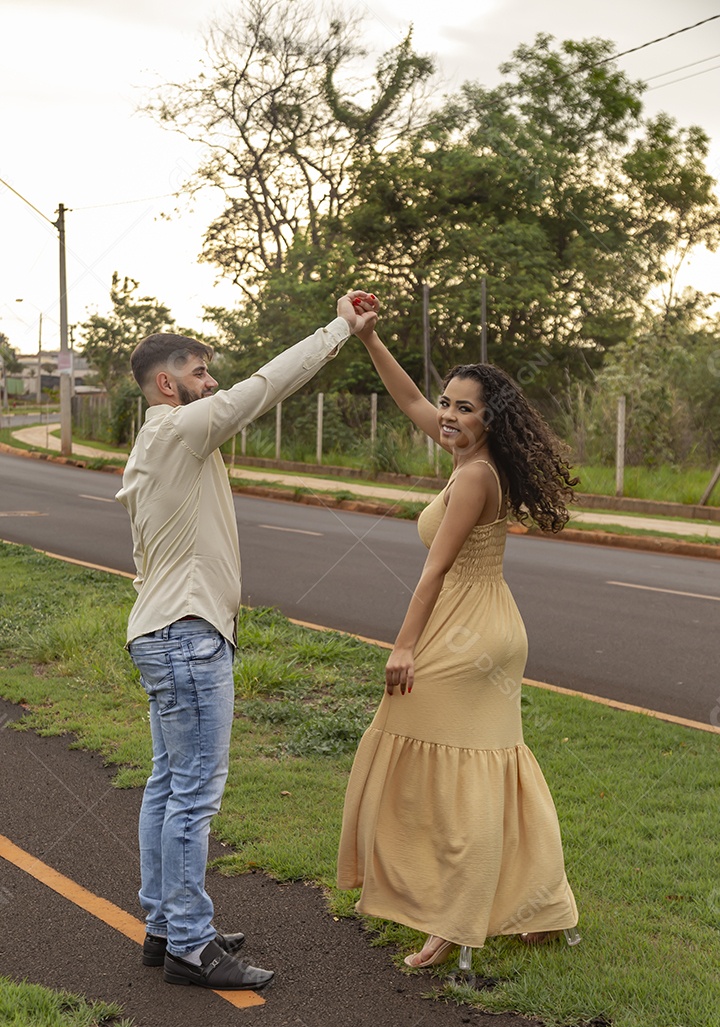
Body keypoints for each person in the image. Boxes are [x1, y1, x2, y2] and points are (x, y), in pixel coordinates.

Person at [117, 291, 378, 990]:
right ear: (168, 384)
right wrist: (340, 329)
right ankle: (191, 947)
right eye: (200, 373)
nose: (214, 385)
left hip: (163, 632)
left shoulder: (152, 444)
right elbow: (266, 386)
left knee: (169, 785)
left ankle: (167, 924)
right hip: (187, 637)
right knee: (193, 794)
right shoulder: (180, 430)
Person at [337, 311, 579, 968]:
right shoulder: (471, 455)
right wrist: (368, 338)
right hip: (488, 624)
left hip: (466, 634)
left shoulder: (474, 476)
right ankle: (539, 905)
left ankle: (452, 917)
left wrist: (404, 646)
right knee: (490, 765)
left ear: (489, 420)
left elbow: (435, 568)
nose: (445, 414)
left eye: (462, 408)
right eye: (447, 403)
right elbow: (411, 400)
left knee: (451, 773)